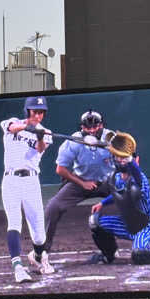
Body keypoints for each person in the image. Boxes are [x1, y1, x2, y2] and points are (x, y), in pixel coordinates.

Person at [89, 131, 150, 265]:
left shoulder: (140, 178)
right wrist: (102, 203)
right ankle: (109, 254)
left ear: (134, 159)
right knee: (94, 221)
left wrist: (129, 159)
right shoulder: (116, 177)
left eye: (124, 158)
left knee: (140, 254)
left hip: (146, 226)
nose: (121, 160)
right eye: (118, 157)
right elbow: (119, 194)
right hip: (126, 224)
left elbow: (136, 174)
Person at [42, 110, 114, 260]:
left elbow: (127, 158)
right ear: (82, 127)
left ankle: (147, 241)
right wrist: (83, 183)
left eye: (95, 127)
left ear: (101, 125)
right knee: (53, 207)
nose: (92, 131)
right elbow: (60, 169)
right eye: (88, 128)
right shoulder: (73, 141)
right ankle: (42, 251)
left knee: (134, 197)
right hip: (80, 181)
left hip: (108, 181)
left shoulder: (111, 138)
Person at [0, 95, 55, 283]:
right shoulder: (13, 122)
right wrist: (27, 127)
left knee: (40, 235)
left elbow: (40, 149)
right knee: (14, 222)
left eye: (41, 112)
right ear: (28, 110)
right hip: (11, 180)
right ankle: (18, 267)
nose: (38, 115)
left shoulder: (46, 132)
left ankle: (38, 257)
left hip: (31, 181)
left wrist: (38, 134)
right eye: (35, 111)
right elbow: (12, 128)